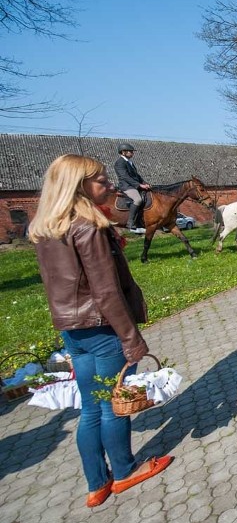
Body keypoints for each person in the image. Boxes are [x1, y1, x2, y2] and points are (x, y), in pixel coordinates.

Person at [28, 155, 173, 508]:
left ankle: (97, 483)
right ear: (79, 186)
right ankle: (125, 471)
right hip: (103, 328)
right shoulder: (88, 227)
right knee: (112, 407)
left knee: (91, 410)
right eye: (101, 180)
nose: (109, 185)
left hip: (72, 331)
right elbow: (105, 290)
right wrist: (130, 337)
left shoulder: (46, 227)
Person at [113, 144, 150, 233]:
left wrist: (144, 183)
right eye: (131, 151)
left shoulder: (130, 162)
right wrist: (139, 185)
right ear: (123, 152)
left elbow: (136, 175)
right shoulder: (119, 163)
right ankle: (130, 222)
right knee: (138, 200)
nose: (132, 153)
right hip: (126, 186)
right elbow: (125, 176)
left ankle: (141, 221)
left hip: (133, 185)